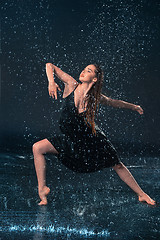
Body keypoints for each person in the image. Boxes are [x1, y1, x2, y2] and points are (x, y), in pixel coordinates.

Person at [32, 63, 156, 206]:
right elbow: (49, 66)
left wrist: (134, 107)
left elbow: (114, 102)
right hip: (70, 139)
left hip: (90, 138)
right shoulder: (71, 85)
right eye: (84, 69)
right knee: (37, 148)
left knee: (117, 164)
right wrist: (51, 82)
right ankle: (42, 189)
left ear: (95, 79)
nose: (83, 72)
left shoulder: (95, 98)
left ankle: (142, 194)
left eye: (88, 71)